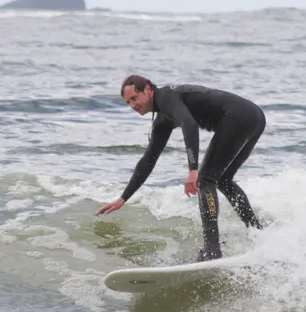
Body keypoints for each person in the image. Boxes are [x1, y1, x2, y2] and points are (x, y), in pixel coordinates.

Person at [95, 74, 266, 261]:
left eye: (134, 98)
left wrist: (193, 170)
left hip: (239, 116)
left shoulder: (167, 97)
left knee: (205, 180)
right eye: (128, 102)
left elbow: (189, 124)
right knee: (223, 180)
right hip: (254, 116)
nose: (133, 106)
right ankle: (258, 234)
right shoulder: (162, 120)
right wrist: (123, 198)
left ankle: (212, 250)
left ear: (148, 89)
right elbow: (148, 160)